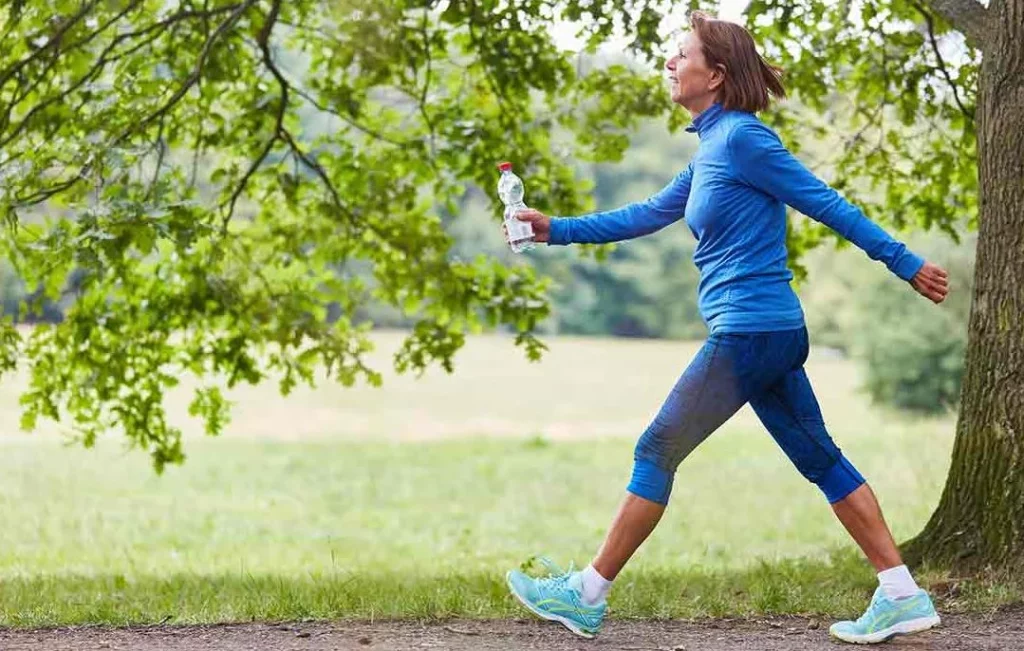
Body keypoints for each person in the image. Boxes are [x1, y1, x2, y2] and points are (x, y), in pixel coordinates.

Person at [503, 11, 951, 645]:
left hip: (749, 332)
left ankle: (586, 594)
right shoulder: (712, 147)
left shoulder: (744, 139)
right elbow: (648, 213)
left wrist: (903, 262)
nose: (669, 62)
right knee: (820, 459)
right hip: (765, 334)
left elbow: (824, 201)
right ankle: (902, 594)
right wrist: (555, 229)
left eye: (680, 54)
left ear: (714, 75)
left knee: (657, 449)